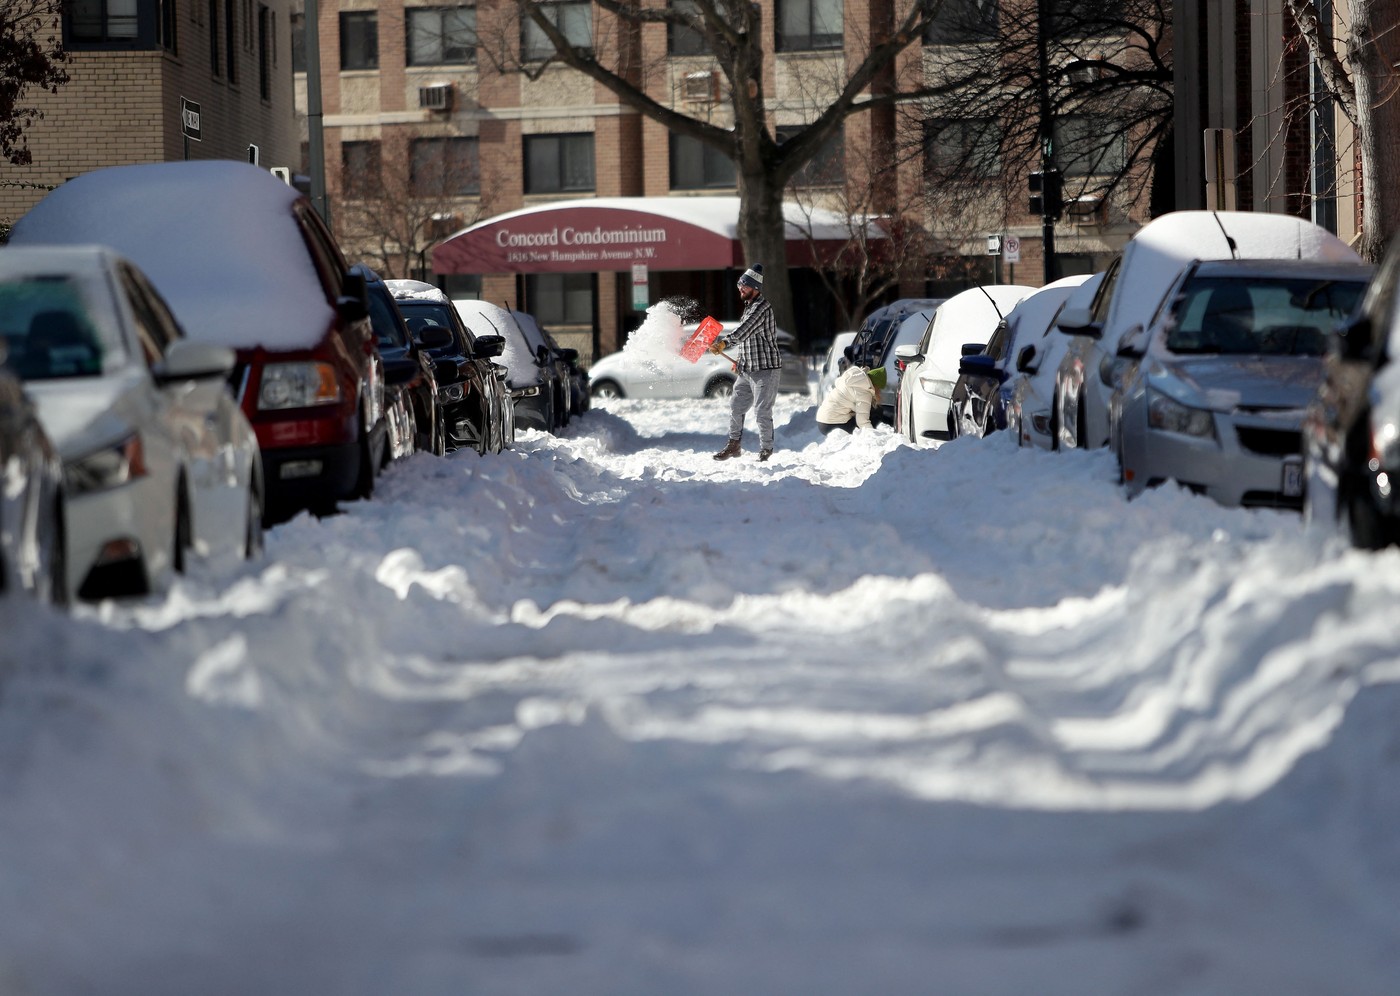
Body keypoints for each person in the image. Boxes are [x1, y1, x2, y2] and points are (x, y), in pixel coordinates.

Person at [711, 263, 783, 462]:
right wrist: (740, 359)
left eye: (745, 286)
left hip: (766, 370)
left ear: (756, 288)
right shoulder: (749, 308)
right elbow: (751, 340)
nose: (740, 289)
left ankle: (766, 451)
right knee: (736, 405)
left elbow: (745, 330)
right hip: (747, 370)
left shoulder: (762, 308)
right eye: (739, 286)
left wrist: (724, 343)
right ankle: (734, 445)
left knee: (762, 411)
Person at [815, 364, 885, 434]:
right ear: (876, 385)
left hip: (822, 419)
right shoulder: (864, 392)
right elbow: (862, 422)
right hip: (832, 423)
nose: (880, 392)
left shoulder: (853, 379)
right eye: (880, 389)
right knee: (874, 419)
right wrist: (874, 436)